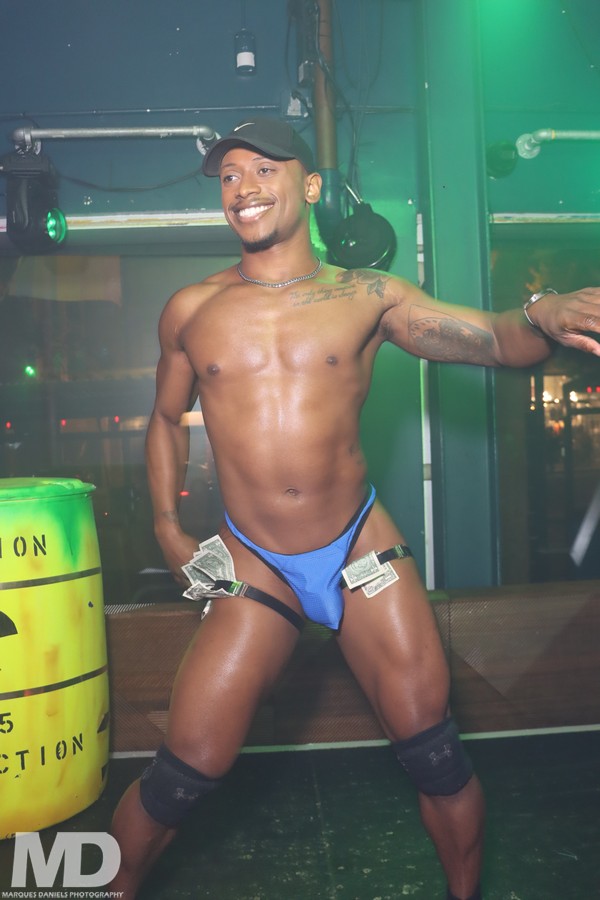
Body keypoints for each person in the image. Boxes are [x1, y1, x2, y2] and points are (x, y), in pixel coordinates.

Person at [109, 118, 600, 900]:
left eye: (263, 169)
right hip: (255, 561)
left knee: (436, 757)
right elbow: (165, 419)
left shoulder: (369, 296)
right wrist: (167, 527)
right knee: (179, 778)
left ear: (309, 186)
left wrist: (539, 313)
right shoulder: (191, 309)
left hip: (357, 550)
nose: (243, 188)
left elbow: (494, 341)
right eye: (230, 175)